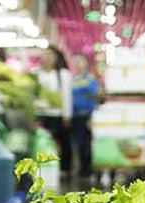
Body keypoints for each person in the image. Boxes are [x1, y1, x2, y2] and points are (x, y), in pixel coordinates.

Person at [37, 46, 73, 176]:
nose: (46, 58)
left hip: (57, 114)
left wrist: (67, 115)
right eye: (44, 55)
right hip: (41, 114)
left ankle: (64, 168)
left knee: (62, 142)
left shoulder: (63, 75)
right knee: (43, 141)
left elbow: (66, 95)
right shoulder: (37, 74)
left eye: (50, 55)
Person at [71, 53, 99, 178]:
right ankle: (81, 167)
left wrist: (92, 115)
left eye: (80, 61)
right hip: (74, 116)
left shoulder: (90, 79)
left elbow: (93, 97)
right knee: (78, 143)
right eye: (75, 61)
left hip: (86, 116)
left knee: (86, 143)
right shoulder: (73, 79)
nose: (78, 64)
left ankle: (87, 169)